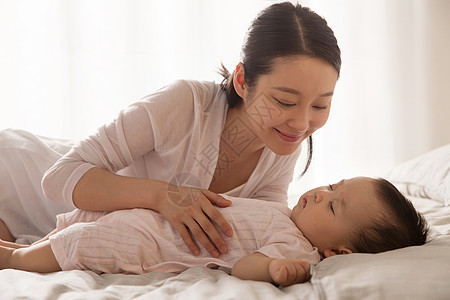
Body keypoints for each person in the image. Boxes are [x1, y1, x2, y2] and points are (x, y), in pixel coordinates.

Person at [0, 2, 341, 257]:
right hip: (18, 180)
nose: (300, 123)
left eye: (320, 105)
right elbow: (58, 177)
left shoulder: (282, 142)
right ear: (242, 81)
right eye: (283, 101)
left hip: (55, 233)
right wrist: (161, 196)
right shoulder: (186, 105)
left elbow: (259, 226)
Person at [0, 177, 428, 287]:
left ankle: (14, 260)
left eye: (333, 204)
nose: (319, 194)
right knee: (77, 224)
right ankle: (23, 248)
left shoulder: (297, 248)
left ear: (339, 252)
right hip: (148, 214)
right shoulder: (283, 210)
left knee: (83, 242)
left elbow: (244, 267)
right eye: (332, 185)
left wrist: (276, 269)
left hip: (152, 241)